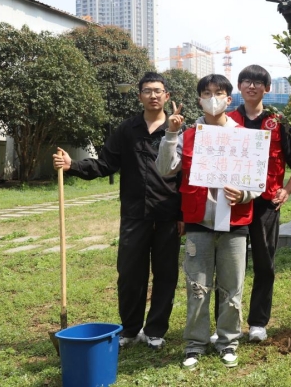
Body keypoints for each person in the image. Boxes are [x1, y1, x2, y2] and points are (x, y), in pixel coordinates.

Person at [52, 72, 181, 350]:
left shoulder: (177, 129)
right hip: (134, 213)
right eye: (147, 91)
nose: (153, 96)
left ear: (167, 96)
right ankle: (131, 329)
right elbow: (105, 164)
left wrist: (183, 215)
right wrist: (73, 165)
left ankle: (155, 330)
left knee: (166, 274)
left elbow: (187, 175)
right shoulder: (127, 130)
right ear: (140, 96)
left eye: (158, 91)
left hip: (168, 214)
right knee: (130, 274)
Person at [156, 73, 259, 369]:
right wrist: (171, 133)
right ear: (199, 99)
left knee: (232, 287)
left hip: (235, 223)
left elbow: (257, 180)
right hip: (199, 222)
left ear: (229, 98)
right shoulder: (188, 135)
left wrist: (244, 194)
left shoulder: (244, 136)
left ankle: (228, 341)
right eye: (206, 93)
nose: (212, 98)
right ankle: (195, 344)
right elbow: (165, 169)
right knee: (197, 287)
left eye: (218, 93)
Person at [225, 64, 291, 343]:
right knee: (229, 266)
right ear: (239, 87)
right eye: (246, 81)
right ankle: (227, 322)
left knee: (264, 262)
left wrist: (287, 190)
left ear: (267, 89)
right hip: (232, 202)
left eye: (258, 82)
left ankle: (258, 322)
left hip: (266, 203)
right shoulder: (228, 121)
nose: (251, 86)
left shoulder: (278, 121)